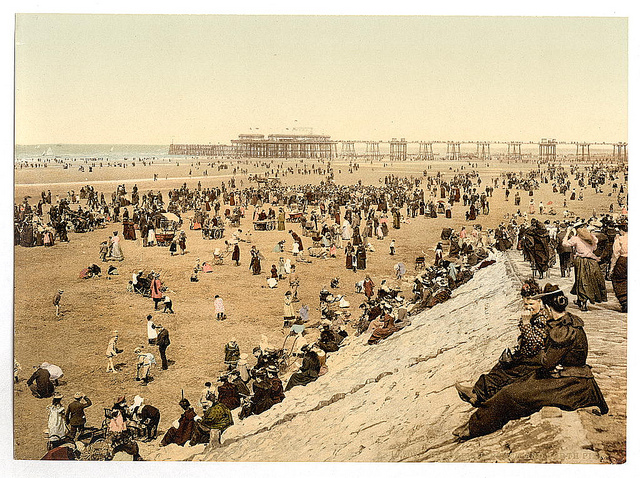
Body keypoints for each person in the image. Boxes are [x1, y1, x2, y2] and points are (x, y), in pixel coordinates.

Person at [453, 284, 608, 440]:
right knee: (512, 386)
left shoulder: (563, 331)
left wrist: (543, 356)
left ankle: (475, 427)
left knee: (510, 393)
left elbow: (546, 362)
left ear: (547, 308)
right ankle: (476, 417)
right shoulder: (569, 322)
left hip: (570, 384)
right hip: (567, 377)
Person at [454, 280, 549, 407]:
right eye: (525, 304)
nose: (528, 307)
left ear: (540, 302)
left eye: (531, 303)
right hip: (526, 355)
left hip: (534, 360)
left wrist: (526, 324)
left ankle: (477, 395)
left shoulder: (541, 318)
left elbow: (534, 344)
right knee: (500, 367)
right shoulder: (532, 316)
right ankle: (476, 394)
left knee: (505, 374)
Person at [562, 226, 607, 311]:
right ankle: (581, 300)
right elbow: (595, 248)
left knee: (581, 280)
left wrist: (568, 233)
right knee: (589, 280)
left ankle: (583, 301)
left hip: (581, 261)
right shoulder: (592, 237)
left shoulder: (575, 239)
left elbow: (565, 244)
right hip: (592, 261)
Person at [609, 222, 628, 312]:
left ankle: (625, 302)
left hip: (623, 260)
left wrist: (612, 268)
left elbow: (615, 254)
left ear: (621, 230)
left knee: (619, 280)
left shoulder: (619, 239)